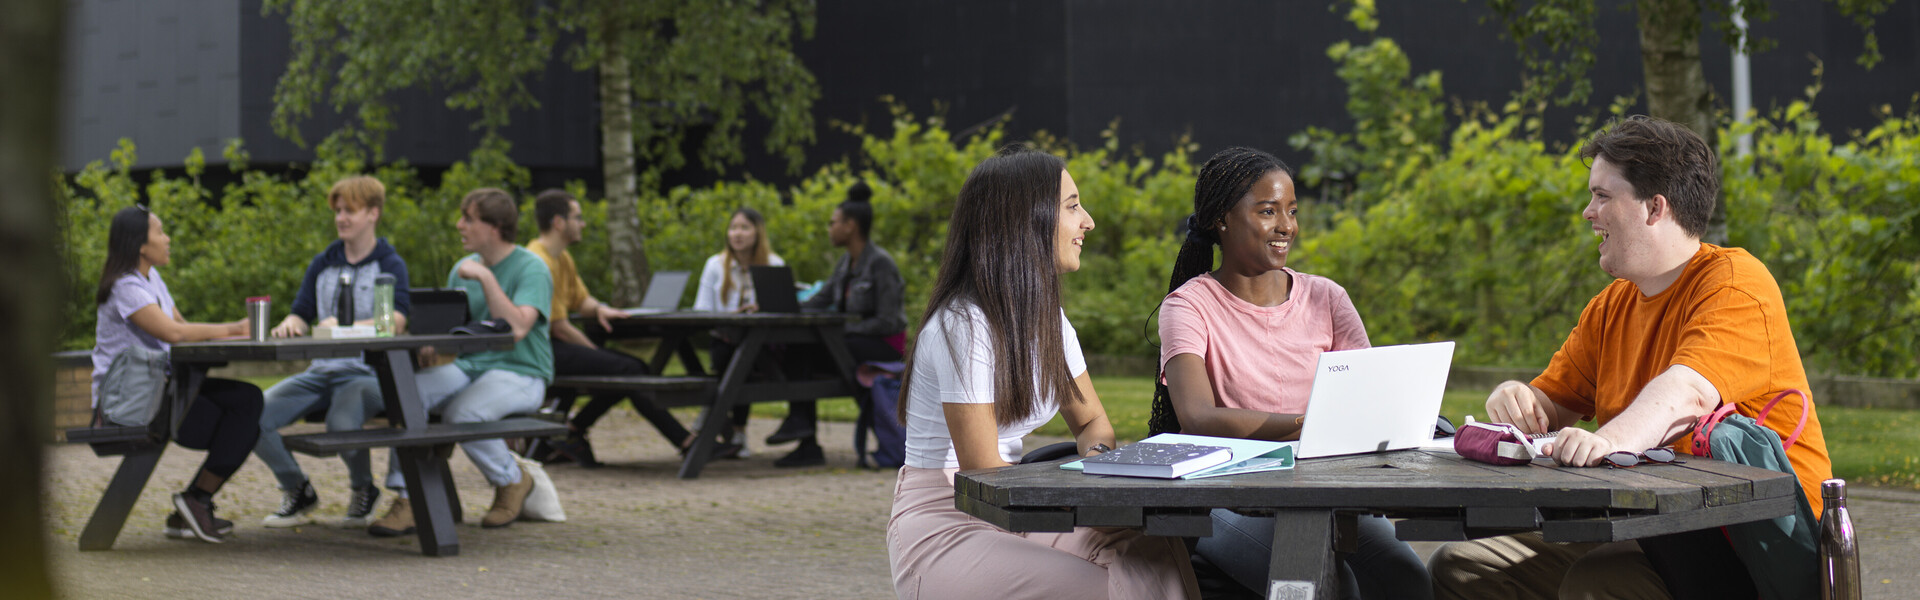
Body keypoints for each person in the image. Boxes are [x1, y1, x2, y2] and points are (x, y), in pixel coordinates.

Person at [1427, 116, 1833, 599]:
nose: (1587, 212)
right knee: (1462, 566)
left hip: (1748, 543)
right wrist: (1518, 399)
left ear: (1654, 207)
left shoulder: (1736, 282)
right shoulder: (1613, 304)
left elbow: (1688, 391)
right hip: (1649, 528)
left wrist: (1611, 441)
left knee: (1596, 583)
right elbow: (1551, 408)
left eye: (1602, 196)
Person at [886, 148, 1197, 599]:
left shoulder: (1048, 320)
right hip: (949, 518)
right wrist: (1091, 487)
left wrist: (1099, 462)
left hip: (1012, 511)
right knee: (1098, 588)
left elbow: (1093, 424)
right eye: (1072, 206)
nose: (1087, 221)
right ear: (1023, 220)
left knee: (1150, 549)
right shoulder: (963, 325)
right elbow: (984, 473)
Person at [1149, 147, 1431, 600]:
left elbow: (1370, 397)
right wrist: (1308, 427)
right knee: (1332, 586)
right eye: (1268, 211)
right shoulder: (1189, 306)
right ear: (1222, 219)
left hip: (1326, 491)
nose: (1287, 226)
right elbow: (1198, 416)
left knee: (1407, 580)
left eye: (1292, 211)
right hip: (1226, 496)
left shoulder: (1327, 298)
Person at [367, 188, 553, 536]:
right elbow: (456, 332)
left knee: (463, 414)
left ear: (495, 226)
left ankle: (512, 479)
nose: (459, 225)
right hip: (470, 366)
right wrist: (433, 348)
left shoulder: (532, 268)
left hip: (522, 371)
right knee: (407, 394)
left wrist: (485, 276)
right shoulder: (460, 270)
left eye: (468, 218)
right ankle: (408, 498)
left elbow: (515, 329)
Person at [90, 206, 264, 543]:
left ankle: (194, 502)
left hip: (161, 388)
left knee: (248, 401)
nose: (167, 239)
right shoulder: (124, 287)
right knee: (241, 425)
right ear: (141, 244)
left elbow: (182, 325)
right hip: (127, 403)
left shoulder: (151, 278)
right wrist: (234, 326)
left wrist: (236, 335)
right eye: (160, 232)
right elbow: (174, 334)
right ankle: (195, 501)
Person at [252, 176, 410, 529]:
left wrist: (342, 327)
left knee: (342, 424)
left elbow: (396, 321)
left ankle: (363, 490)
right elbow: (300, 310)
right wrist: (290, 323)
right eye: (337, 211)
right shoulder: (322, 264)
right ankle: (297, 489)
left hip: (366, 374)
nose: (341, 218)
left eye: (349, 210)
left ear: (373, 213)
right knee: (253, 415)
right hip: (320, 371)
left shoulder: (390, 265)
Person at [526, 189, 701, 465]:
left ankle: (573, 430)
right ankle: (685, 441)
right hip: (540, 350)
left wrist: (599, 309)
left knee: (631, 369)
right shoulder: (540, 262)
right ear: (559, 222)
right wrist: (596, 353)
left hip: (552, 347)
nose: (582, 223)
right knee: (628, 369)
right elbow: (559, 328)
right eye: (577, 217)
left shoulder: (560, 257)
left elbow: (580, 299)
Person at [764, 181, 908, 467]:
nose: (829, 229)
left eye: (833, 223)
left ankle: (801, 428)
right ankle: (805, 438)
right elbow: (820, 299)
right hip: (852, 340)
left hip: (884, 345)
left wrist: (840, 332)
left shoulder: (881, 264)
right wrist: (775, 307)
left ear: (850, 226)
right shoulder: (845, 263)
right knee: (800, 348)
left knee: (807, 350)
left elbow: (888, 321)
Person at [692, 206, 786, 456]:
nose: (737, 234)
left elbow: (783, 309)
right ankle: (735, 433)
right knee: (731, 355)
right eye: (733, 227)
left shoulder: (774, 264)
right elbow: (702, 310)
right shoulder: (715, 265)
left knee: (743, 358)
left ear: (758, 232)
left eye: (744, 227)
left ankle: (708, 428)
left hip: (763, 345)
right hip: (724, 339)